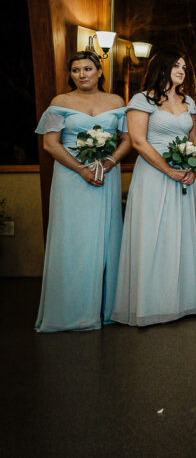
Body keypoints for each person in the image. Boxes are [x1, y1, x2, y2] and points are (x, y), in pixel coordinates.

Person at [34, 50, 131, 332]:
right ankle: (70, 311)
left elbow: (127, 139)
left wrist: (110, 161)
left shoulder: (116, 102)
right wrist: (81, 169)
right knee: (72, 239)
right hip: (71, 177)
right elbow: (51, 144)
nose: (82, 75)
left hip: (106, 174)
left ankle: (106, 309)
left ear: (100, 72)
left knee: (105, 237)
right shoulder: (60, 102)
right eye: (76, 70)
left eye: (88, 69)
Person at [112, 51, 196, 326]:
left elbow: (194, 139)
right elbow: (138, 142)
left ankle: (184, 302)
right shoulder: (143, 99)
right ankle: (150, 304)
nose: (181, 70)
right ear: (162, 67)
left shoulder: (188, 102)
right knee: (153, 234)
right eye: (176, 65)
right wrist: (169, 170)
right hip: (153, 174)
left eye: (184, 67)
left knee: (180, 233)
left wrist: (192, 167)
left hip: (183, 176)